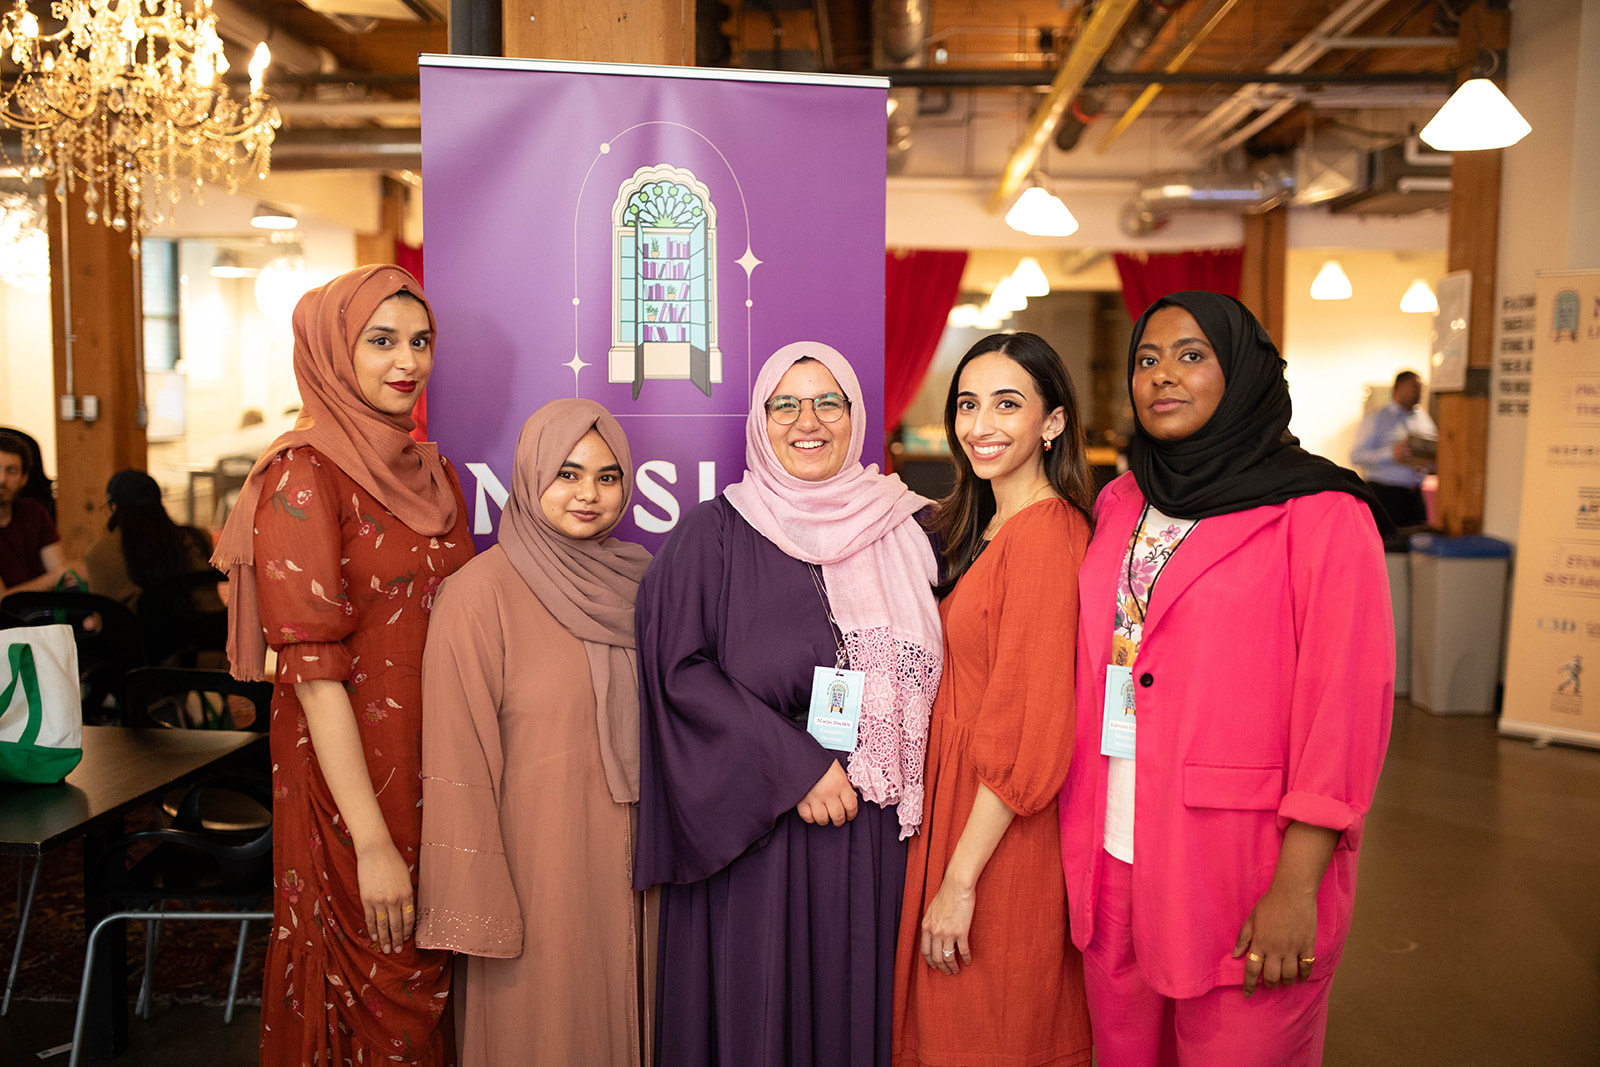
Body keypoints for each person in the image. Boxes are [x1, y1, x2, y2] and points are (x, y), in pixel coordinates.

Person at [1059, 291, 1394, 1065]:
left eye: (1191, 354)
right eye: (1148, 358)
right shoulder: (1122, 500)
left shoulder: (1321, 510)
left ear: (1241, 371)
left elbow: (1345, 707)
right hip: (1111, 854)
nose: (1162, 376)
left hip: (1243, 868)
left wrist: (1296, 888)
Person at [635, 341, 942, 1066]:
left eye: (829, 401)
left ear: (856, 416)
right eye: (787, 403)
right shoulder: (714, 534)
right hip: (761, 840)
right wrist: (796, 767)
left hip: (878, 840)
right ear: (761, 420)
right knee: (765, 1017)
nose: (810, 420)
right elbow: (678, 672)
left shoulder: (912, 528)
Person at [211, 265, 474, 1065]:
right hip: (355, 781)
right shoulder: (302, 474)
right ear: (331, 351)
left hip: (446, 765)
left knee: (444, 981)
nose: (408, 361)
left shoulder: (431, 469)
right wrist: (370, 842)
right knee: (380, 988)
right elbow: (316, 677)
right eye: (381, 341)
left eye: (420, 341)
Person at [416, 398, 655, 1067]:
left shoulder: (646, 584)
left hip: (641, 865)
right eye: (567, 473)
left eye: (608, 477)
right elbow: (457, 758)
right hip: (534, 868)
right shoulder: (479, 594)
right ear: (529, 476)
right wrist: (479, 901)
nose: (589, 493)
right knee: (542, 1032)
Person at [892, 331, 1096, 1067]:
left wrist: (960, 880)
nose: (981, 424)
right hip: (961, 807)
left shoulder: (1044, 535)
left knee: (991, 1028)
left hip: (1000, 834)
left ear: (1053, 421)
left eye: (1007, 404)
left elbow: (1029, 729)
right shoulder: (989, 524)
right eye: (967, 404)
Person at [85, 469, 216, 609]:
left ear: (114, 507)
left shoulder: (100, 553)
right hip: (207, 629)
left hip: (141, 630)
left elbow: (103, 619)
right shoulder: (199, 538)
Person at [1350, 369, 1435, 527]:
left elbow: (1435, 454)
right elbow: (1356, 456)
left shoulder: (1424, 419)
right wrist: (1391, 454)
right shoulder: (1378, 418)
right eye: (1414, 387)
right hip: (1385, 494)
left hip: (1414, 496)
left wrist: (1427, 462)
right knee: (1386, 546)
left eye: (1420, 387)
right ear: (1398, 388)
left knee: (1418, 541)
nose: (1419, 392)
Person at [0, 430, 73, 594]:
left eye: (11, 471)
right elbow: (1, 599)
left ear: (24, 478)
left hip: (39, 611)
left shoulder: (34, 512)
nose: (2, 479)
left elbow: (61, 574)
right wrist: (52, 579)